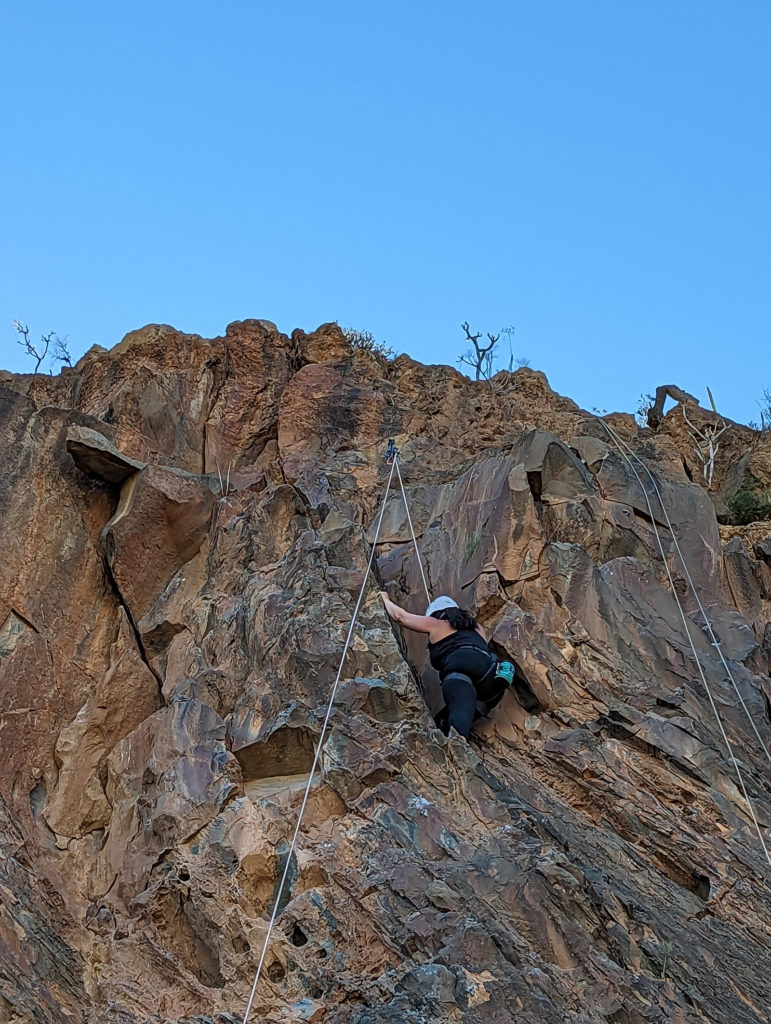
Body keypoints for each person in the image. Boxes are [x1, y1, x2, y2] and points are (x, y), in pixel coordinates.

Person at [379, 592, 513, 739]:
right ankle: (445, 727)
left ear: (436, 614)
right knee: (448, 718)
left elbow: (401, 617)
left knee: (459, 715)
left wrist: (385, 599)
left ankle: (457, 748)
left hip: (461, 670)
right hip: (489, 675)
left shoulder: (436, 623)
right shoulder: (477, 628)